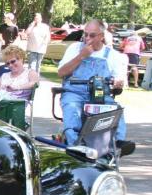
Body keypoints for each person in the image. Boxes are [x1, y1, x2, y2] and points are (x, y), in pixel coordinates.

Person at [57, 19, 135, 154]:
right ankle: (75, 144)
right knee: (71, 108)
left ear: (102, 36)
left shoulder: (112, 55)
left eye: (92, 35)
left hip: (100, 94)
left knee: (116, 109)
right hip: (74, 93)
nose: (87, 38)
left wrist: (118, 83)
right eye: (85, 34)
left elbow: (119, 81)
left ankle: (118, 143)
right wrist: (81, 56)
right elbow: (61, 73)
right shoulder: (74, 48)